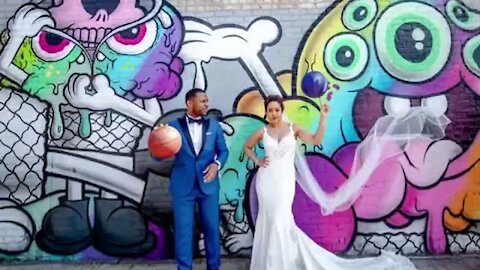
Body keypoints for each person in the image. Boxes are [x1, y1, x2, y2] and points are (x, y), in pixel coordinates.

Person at [243, 95, 417, 270]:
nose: (274, 113)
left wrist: (323, 118)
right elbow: (247, 147)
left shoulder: (292, 129)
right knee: (268, 219)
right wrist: (258, 161)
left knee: (280, 218)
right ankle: (269, 262)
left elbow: (315, 140)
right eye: (270, 110)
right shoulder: (262, 132)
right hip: (266, 181)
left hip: (284, 182)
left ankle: (280, 263)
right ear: (266, 112)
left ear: (282, 111)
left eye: (277, 110)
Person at [158, 88, 229, 270]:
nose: (207, 104)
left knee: (212, 230)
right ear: (190, 103)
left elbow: (223, 151)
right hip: (183, 187)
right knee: (183, 232)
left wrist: (216, 165)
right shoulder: (172, 127)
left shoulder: (214, 126)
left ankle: (214, 267)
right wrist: (157, 140)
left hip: (208, 185)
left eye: (207, 100)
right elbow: (157, 156)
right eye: (203, 101)